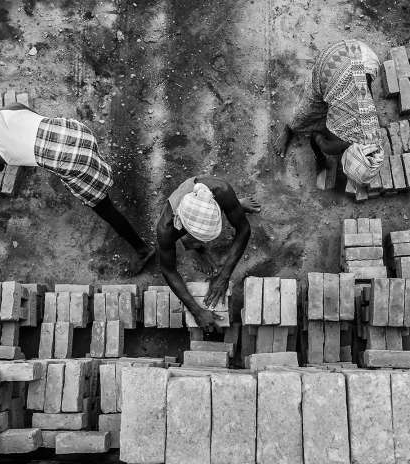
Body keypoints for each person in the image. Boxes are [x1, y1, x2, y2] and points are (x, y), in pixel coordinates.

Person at [0, 94, 155, 274]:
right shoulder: (11, 108)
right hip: (75, 132)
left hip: (71, 160)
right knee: (90, 158)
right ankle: (103, 172)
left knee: (102, 206)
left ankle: (143, 249)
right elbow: (28, 125)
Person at [155, 176, 260, 333]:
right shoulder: (166, 229)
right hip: (181, 217)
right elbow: (168, 270)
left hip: (214, 200)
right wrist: (197, 311)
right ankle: (198, 247)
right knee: (191, 241)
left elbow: (244, 230)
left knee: (232, 205)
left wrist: (224, 276)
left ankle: (236, 204)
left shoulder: (221, 190)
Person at [274, 39, 385, 187]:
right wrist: (321, 158)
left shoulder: (375, 139)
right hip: (334, 60)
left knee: (341, 101)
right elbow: (315, 136)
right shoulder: (333, 144)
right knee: (307, 110)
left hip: (363, 54)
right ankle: (289, 128)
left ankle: (340, 94)